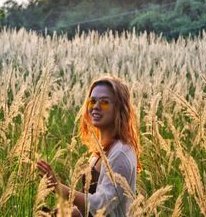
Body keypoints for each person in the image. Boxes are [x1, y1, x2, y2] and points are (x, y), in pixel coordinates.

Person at [37, 75, 141, 216]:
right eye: (92, 101)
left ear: (118, 108)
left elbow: (101, 205)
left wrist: (58, 187)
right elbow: (89, 208)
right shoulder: (100, 151)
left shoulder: (121, 153)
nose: (96, 107)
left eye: (104, 102)